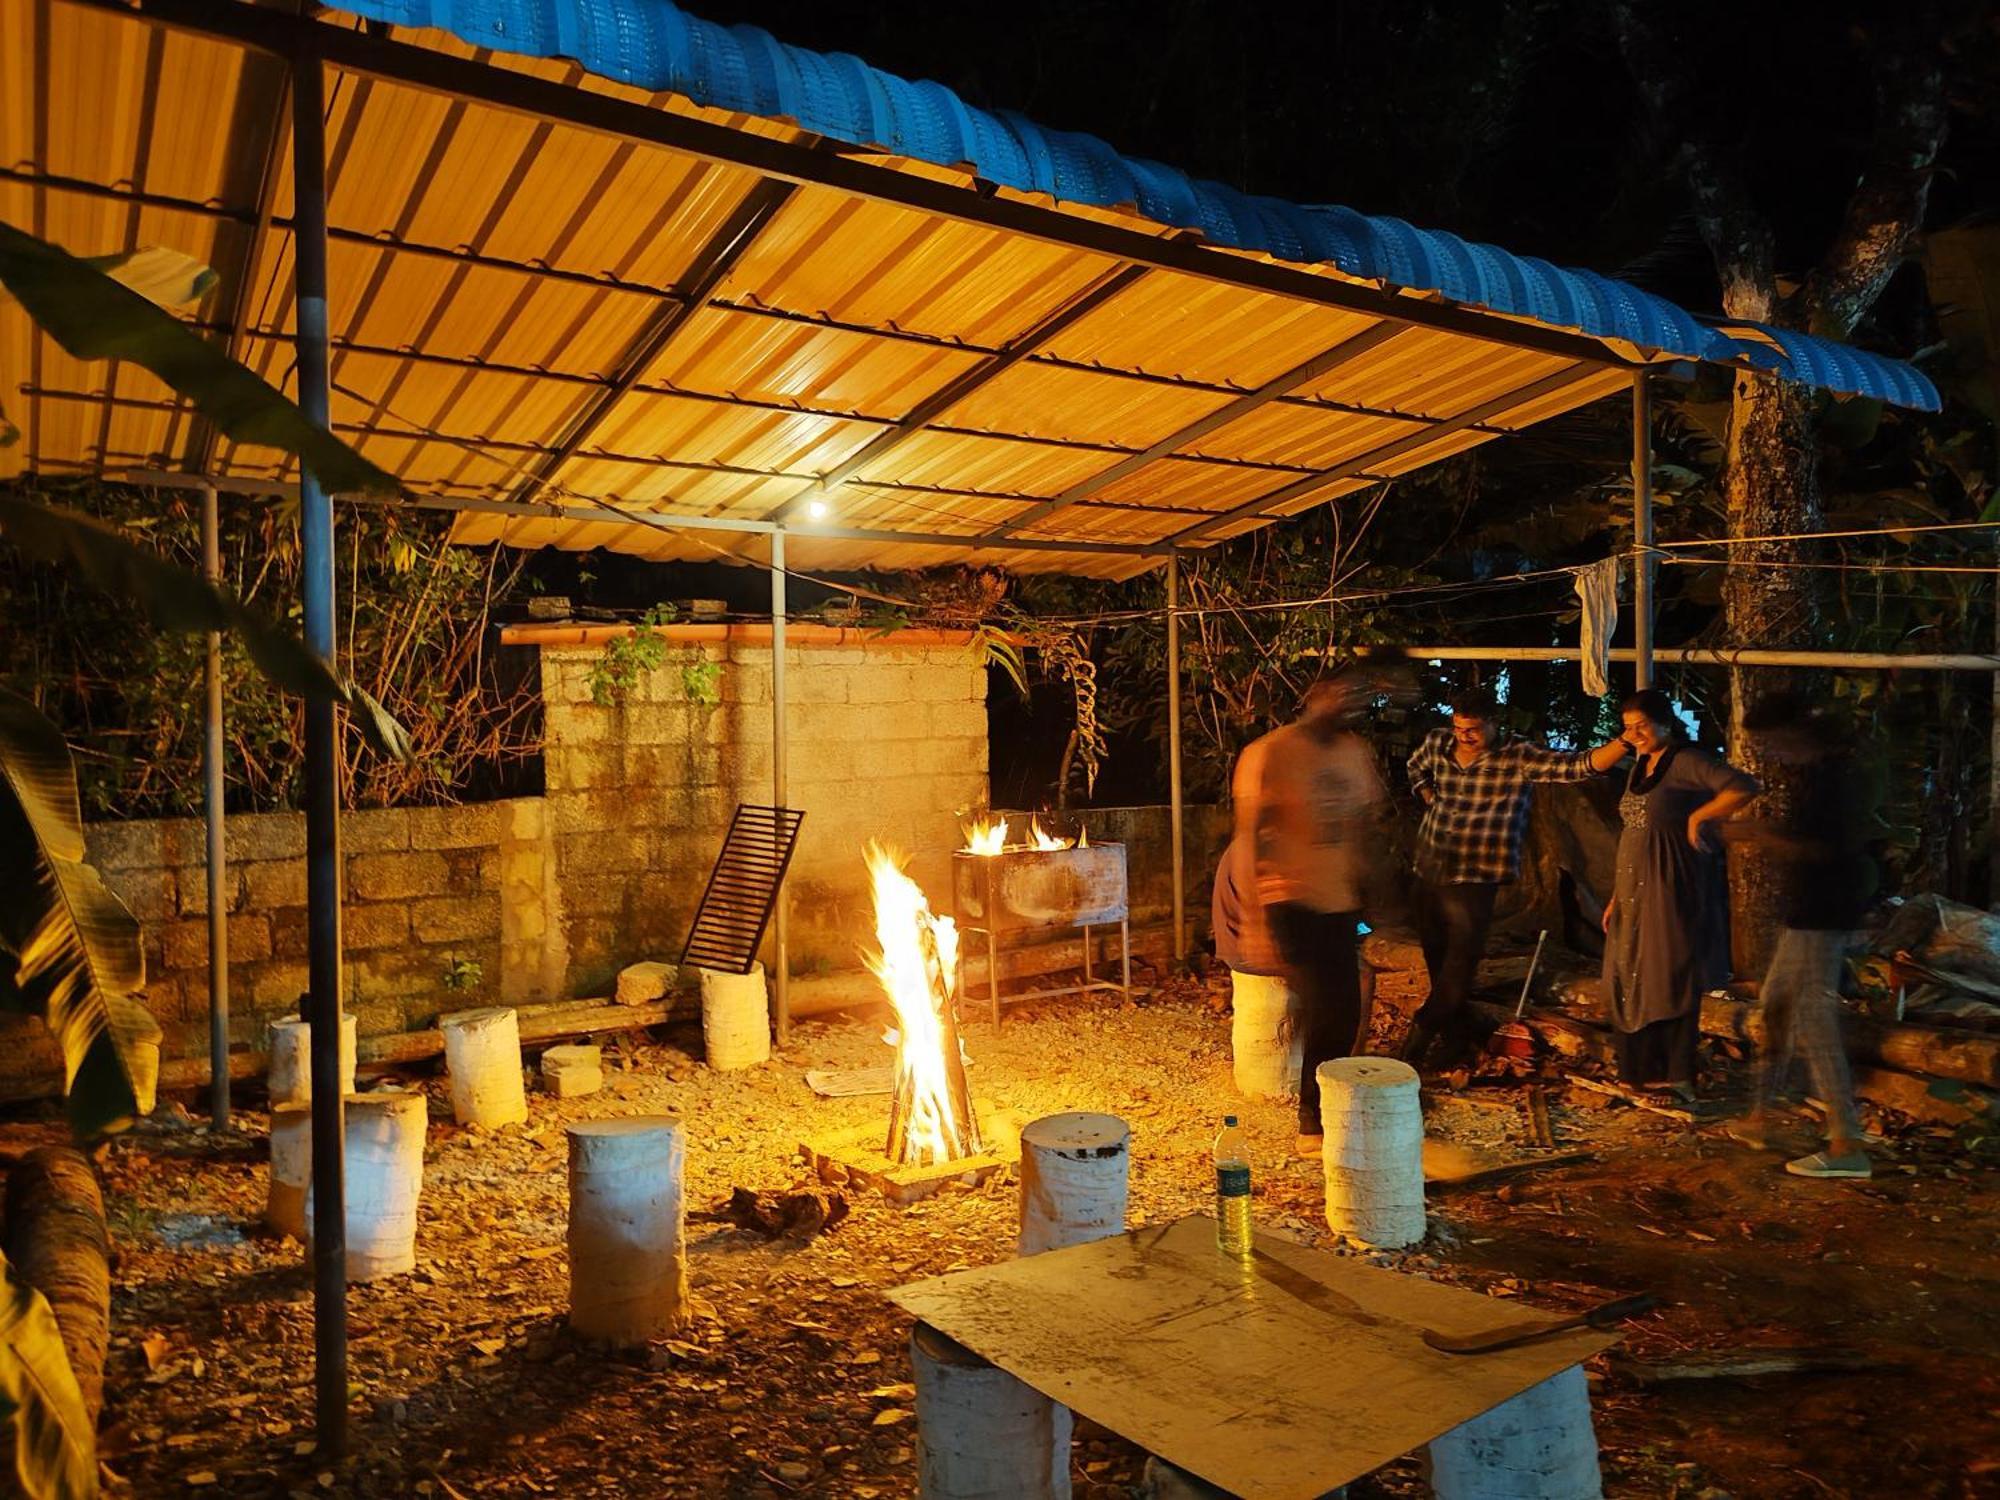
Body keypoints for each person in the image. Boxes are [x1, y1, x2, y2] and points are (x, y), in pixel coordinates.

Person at [1403, 688, 1628, 1070]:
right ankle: (1456, 1039)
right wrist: (1427, 796)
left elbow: (1577, 766)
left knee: (1460, 963)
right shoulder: (1438, 743)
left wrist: (1624, 741)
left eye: (1473, 729)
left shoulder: (1517, 755)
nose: (1465, 736)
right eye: (1459, 728)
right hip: (1431, 867)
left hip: (1477, 875)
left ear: (1493, 724)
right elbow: (1415, 767)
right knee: (1437, 962)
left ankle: (1416, 1043)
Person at [1721, 695, 1881, 1179]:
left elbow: (1823, 850)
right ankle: (1758, 1116)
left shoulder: (1833, 779)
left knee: (1814, 1025)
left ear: (1794, 733)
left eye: (1770, 743)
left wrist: (1755, 832)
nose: (1770, 753)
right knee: (1775, 1009)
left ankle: (1845, 1143)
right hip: (1805, 913)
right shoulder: (1812, 775)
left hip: (1824, 916)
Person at [1231, 672, 1390, 1156]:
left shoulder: (1353, 753)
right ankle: (1312, 1120)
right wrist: (1254, 918)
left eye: (1355, 697)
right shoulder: (1272, 753)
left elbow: (1365, 825)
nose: (1346, 705)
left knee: (1342, 1011)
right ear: (1314, 697)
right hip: (1289, 898)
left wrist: (1376, 892)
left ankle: (1331, 1108)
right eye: (1338, 695)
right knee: (1325, 1008)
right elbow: (1250, 833)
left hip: (1338, 898)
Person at [1602, 688, 1758, 1096]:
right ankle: (1637, 1073)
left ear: (1665, 722)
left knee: (1667, 975)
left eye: (1642, 726)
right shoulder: (1641, 762)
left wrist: (1699, 818)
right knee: (1627, 975)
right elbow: (1633, 830)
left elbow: (1742, 785)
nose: (1634, 734)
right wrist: (1617, 895)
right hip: (1632, 888)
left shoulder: (1686, 761)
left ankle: (1678, 1075)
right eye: (1627, 728)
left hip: (1669, 884)